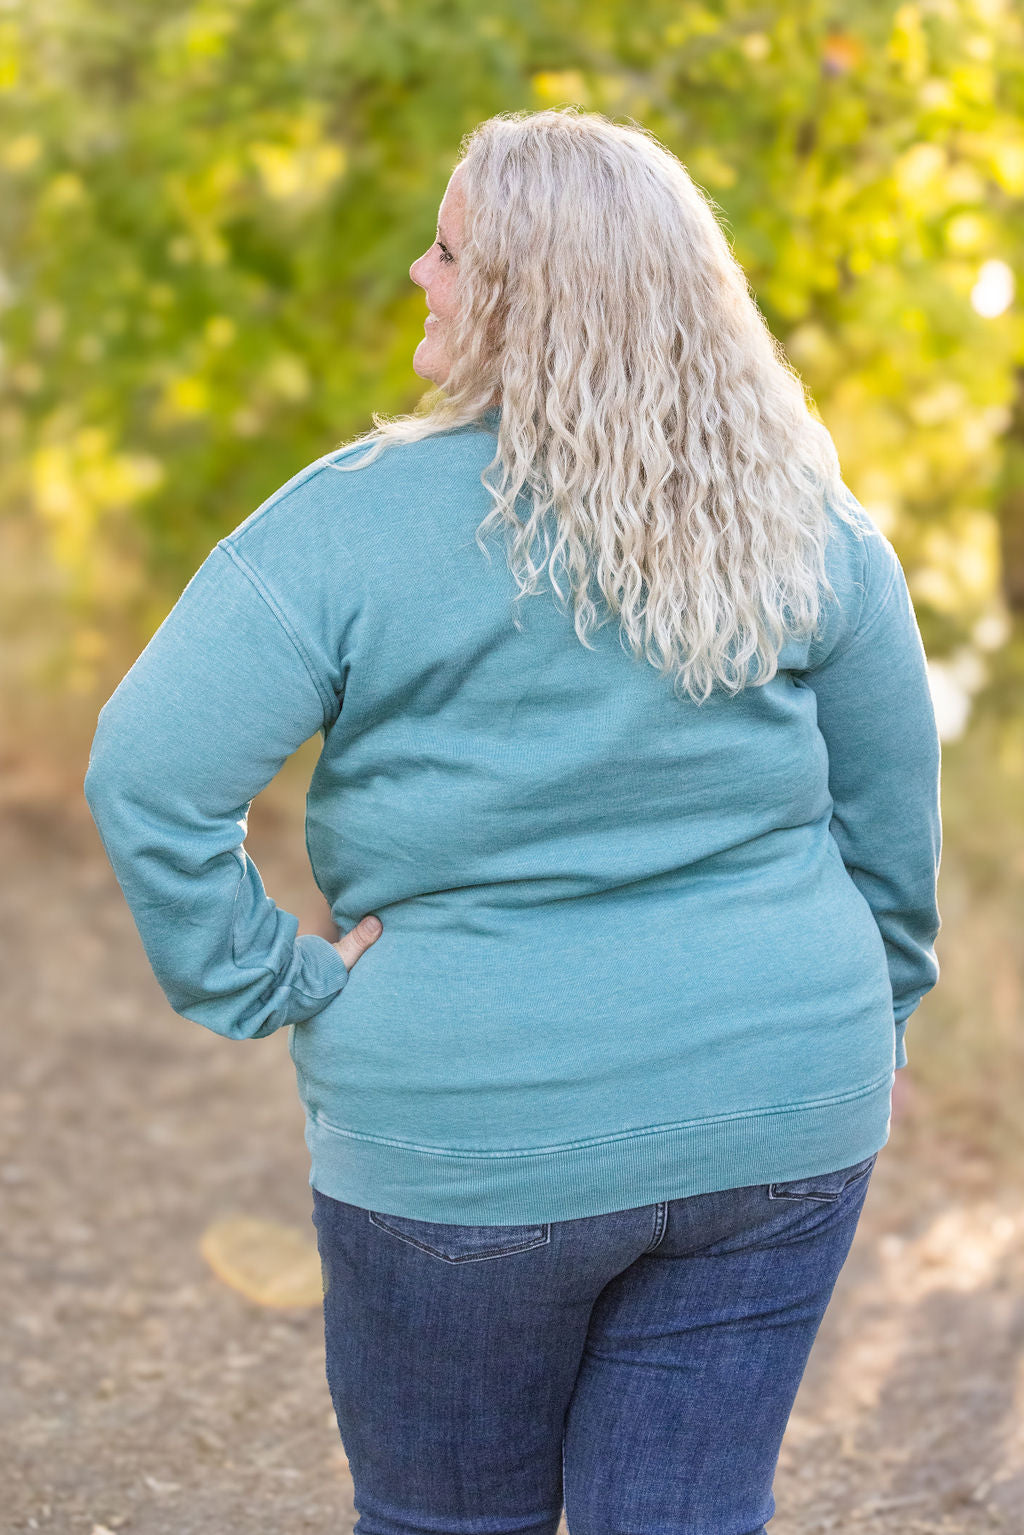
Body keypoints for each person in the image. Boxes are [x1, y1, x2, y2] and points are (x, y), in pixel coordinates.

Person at [83, 107, 942, 1535]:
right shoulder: (804, 516)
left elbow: (147, 772)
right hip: (784, 1107)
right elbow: (890, 829)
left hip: (468, 1137)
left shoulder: (345, 524)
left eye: (450, 248)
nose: (420, 272)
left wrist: (270, 980)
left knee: (446, 1523)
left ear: (536, 292)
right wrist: (875, 1021)